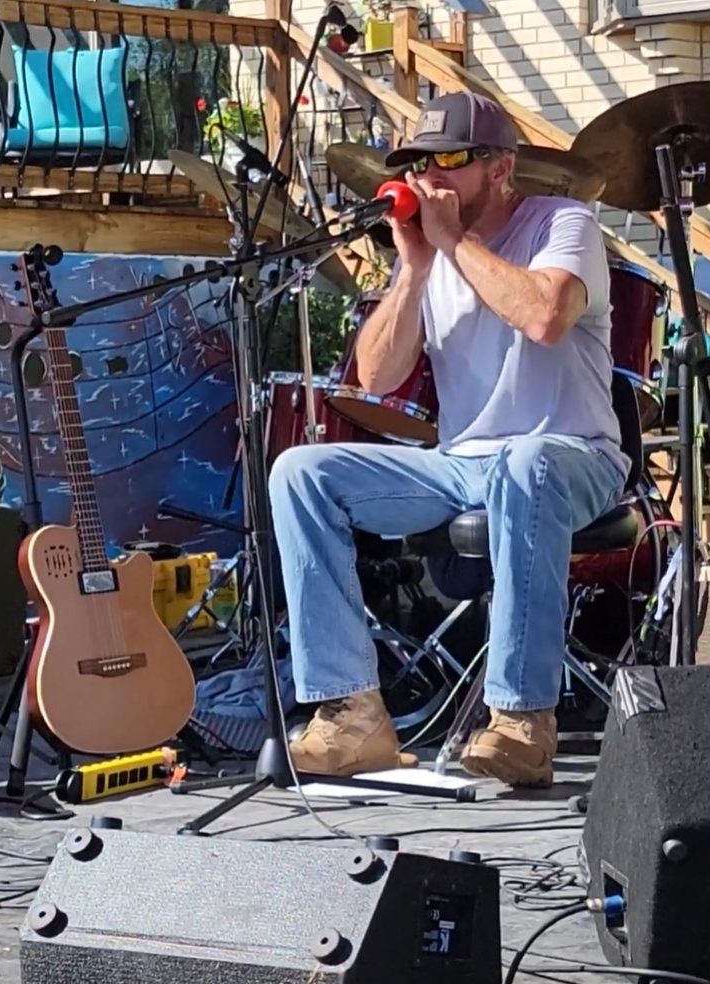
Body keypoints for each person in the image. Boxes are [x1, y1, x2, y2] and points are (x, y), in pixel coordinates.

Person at [268, 92, 629, 787]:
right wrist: (414, 269)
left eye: (450, 160)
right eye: (417, 164)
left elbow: (545, 317)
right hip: (462, 464)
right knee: (301, 472)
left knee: (526, 462)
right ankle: (351, 716)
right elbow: (376, 376)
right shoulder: (431, 256)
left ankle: (521, 720)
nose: (429, 177)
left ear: (501, 168)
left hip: (570, 452)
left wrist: (455, 243)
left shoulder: (564, 223)